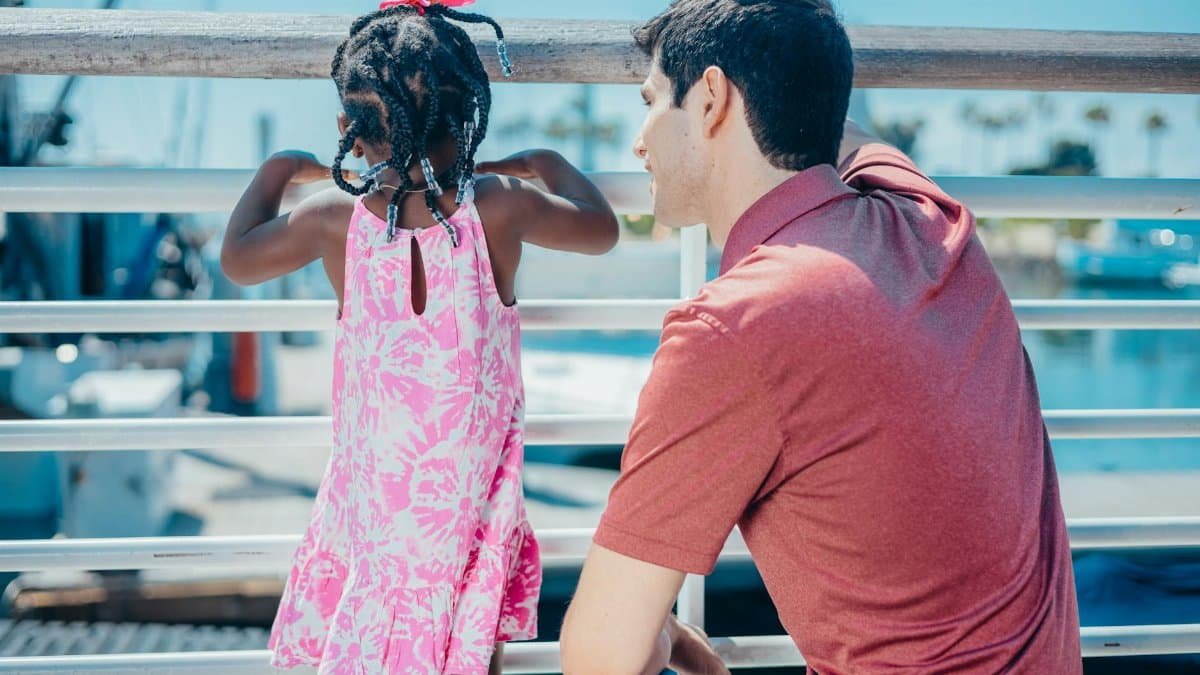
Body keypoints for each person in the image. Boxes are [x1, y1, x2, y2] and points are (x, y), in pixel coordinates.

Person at [559, 1, 1081, 673]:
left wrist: (652, 628)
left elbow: (597, 659)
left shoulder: (732, 328)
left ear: (713, 97)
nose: (639, 139)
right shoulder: (927, 217)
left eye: (654, 100)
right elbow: (837, 125)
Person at [220, 1, 619, 672]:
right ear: (468, 117)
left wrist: (279, 170)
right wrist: (544, 161)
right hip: (465, 508)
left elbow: (237, 257)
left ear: (350, 128)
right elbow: (600, 228)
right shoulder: (500, 204)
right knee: (459, 644)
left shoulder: (331, 220)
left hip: (373, 510)